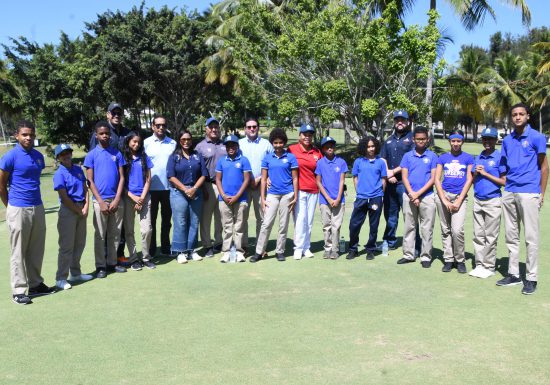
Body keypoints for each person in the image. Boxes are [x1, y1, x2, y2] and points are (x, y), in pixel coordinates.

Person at [497, 103, 548, 295]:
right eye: (514, 115)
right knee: (511, 235)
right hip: (509, 191)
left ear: (528, 116)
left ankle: (531, 277)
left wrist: (541, 193)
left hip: (529, 192)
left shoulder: (536, 137)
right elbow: (503, 163)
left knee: (531, 237)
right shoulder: (508, 140)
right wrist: (504, 177)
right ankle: (513, 274)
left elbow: (544, 167)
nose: (517, 117)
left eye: (521, 114)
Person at [0, 120, 50, 305]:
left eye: (31, 134)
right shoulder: (9, 157)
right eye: (24, 134)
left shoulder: (38, 156)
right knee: (18, 251)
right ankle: (19, 291)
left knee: (36, 248)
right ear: (17, 136)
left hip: (37, 206)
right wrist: (11, 206)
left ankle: (36, 284)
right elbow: (1, 186)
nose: (28, 137)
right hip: (18, 208)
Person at [84, 120, 127, 278]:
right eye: (101, 133)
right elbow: (90, 181)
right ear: (96, 135)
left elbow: (122, 178)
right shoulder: (91, 155)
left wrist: (116, 199)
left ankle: (112, 263)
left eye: (107, 133)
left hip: (116, 200)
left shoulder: (117, 154)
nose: (105, 136)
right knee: (100, 235)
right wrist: (101, 201)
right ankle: (100, 266)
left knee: (115, 234)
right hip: (99, 201)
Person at [89, 102, 130, 263]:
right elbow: (95, 160)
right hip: (106, 189)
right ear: (108, 114)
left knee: (120, 226)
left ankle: (118, 255)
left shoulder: (127, 133)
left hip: (124, 184)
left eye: (119, 113)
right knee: (104, 229)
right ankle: (105, 260)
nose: (117, 116)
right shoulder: (101, 132)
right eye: (114, 113)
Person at [250, 128, 299, 262]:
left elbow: (295, 178)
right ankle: (259, 252)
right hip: (272, 195)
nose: (278, 145)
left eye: (280, 142)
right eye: (275, 143)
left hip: (287, 195)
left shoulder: (290, 157)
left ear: (284, 142)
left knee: (283, 224)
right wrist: (263, 198)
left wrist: (295, 196)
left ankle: (280, 251)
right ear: (272, 143)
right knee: (266, 223)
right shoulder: (267, 158)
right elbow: (264, 179)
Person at [53, 144, 93, 290]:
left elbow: (85, 189)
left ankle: (75, 273)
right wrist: (78, 210)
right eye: (62, 154)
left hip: (81, 208)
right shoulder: (59, 174)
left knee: (79, 243)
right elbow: (64, 197)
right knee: (66, 246)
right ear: (58, 158)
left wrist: (86, 206)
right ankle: (61, 278)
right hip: (69, 211)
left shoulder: (77, 169)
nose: (66, 156)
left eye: (68, 153)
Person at [396, 126, 438, 268]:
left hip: (427, 196)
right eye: (418, 139)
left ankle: (425, 256)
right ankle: (408, 254)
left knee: (427, 228)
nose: (421, 141)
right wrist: (412, 194)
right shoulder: (407, 156)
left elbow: (433, 179)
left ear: (428, 140)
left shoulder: (432, 156)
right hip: (409, 195)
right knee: (409, 226)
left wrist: (418, 194)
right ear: (413, 140)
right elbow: (404, 176)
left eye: (423, 139)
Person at [434, 129, 474, 274]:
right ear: (449, 141)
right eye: (453, 141)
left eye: (458, 141)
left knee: (457, 230)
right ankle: (449, 259)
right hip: (443, 196)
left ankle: (460, 260)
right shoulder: (443, 158)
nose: (456, 143)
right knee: (445, 230)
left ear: (462, 141)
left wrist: (459, 200)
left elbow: (470, 179)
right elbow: (437, 179)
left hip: (459, 197)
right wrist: (444, 199)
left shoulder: (468, 158)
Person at [469, 127, 506, 279]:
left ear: (496, 140)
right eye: (485, 139)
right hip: (478, 200)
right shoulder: (478, 157)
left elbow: (504, 181)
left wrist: (485, 173)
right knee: (478, 235)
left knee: (490, 236)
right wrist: (476, 172)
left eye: (490, 139)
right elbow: (472, 175)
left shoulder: (499, 157)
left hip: (493, 200)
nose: (487, 142)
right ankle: (479, 264)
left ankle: (489, 266)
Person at [380, 110, 418, 255]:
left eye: (403, 120)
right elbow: (382, 158)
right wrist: (388, 175)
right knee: (390, 214)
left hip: (405, 183)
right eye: (397, 120)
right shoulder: (388, 140)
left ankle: (415, 245)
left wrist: (393, 172)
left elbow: (409, 161)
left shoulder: (412, 139)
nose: (400, 122)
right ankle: (390, 241)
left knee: (409, 216)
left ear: (408, 122)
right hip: (390, 183)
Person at [167, 130, 208, 264]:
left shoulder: (197, 155)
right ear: (179, 141)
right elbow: (171, 176)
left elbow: (203, 174)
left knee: (194, 221)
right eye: (183, 139)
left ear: (192, 140)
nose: (186, 142)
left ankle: (191, 250)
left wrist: (194, 188)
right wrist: (185, 189)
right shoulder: (174, 156)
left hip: (196, 191)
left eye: (188, 139)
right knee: (181, 221)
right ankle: (180, 251)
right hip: (179, 192)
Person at [347, 136, 387, 260]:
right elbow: (355, 178)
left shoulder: (380, 162)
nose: (370, 149)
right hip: (361, 198)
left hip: (376, 197)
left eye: (373, 146)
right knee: (354, 225)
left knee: (373, 225)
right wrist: (358, 191)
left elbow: (384, 179)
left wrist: (380, 194)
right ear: (364, 147)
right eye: (368, 146)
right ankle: (353, 249)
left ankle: (370, 249)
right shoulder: (358, 161)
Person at [238, 117, 273, 253]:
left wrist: (262, 178)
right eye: (249, 127)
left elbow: (272, 163)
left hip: (261, 186)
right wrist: (247, 180)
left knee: (262, 218)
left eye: (254, 126)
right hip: (244, 187)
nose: (252, 129)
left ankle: (260, 247)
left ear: (258, 128)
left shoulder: (266, 145)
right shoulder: (239, 144)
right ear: (245, 128)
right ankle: (243, 246)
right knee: (242, 217)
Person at [144, 115, 176, 257]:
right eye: (158, 125)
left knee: (166, 221)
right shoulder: (145, 143)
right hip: (151, 189)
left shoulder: (173, 143)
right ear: (153, 126)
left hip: (168, 188)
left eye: (163, 125)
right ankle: (151, 249)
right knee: (151, 221)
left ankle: (165, 247)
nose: (161, 127)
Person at [288, 124, 322, 260]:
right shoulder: (291, 150)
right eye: (304, 134)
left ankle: (306, 247)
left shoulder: (316, 152)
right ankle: (298, 248)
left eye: (310, 135)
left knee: (309, 220)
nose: (307, 137)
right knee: (300, 219)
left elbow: (321, 171)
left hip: (313, 189)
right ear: (299, 135)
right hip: (299, 190)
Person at [122, 132, 156, 271]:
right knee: (129, 230)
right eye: (134, 141)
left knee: (147, 229)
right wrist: (133, 197)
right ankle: (134, 258)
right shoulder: (123, 158)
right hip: (128, 198)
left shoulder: (144, 157)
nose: (136, 144)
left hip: (144, 197)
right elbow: (121, 182)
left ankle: (146, 257)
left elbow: (148, 179)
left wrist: (141, 198)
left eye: (138, 142)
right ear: (129, 142)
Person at [215, 135, 252, 262]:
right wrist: (224, 195)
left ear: (237, 146)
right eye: (228, 146)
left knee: (239, 226)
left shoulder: (244, 160)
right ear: (225, 147)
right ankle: (226, 251)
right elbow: (218, 179)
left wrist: (237, 196)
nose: (231, 148)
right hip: (224, 199)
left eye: (233, 145)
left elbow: (247, 180)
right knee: (227, 226)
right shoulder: (221, 161)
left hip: (241, 199)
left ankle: (240, 251)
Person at [195, 117, 226, 257]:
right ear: (206, 129)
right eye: (211, 127)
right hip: (207, 185)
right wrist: (201, 188)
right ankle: (207, 244)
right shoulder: (200, 146)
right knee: (206, 217)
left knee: (220, 216)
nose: (214, 129)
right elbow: (196, 169)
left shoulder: (224, 145)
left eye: (216, 127)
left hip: (223, 185)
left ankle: (219, 242)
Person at [314, 136, 348, 259]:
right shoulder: (320, 163)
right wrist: (328, 198)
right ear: (323, 149)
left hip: (339, 200)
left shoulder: (341, 162)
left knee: (336, 225)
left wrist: (338, 198)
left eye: (332, 145)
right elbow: (318, 182)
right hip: (324, 200)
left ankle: (335, 249)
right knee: (326, 225)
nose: (330, 148)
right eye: (327, 146)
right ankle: (327, 248)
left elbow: (342, 181)